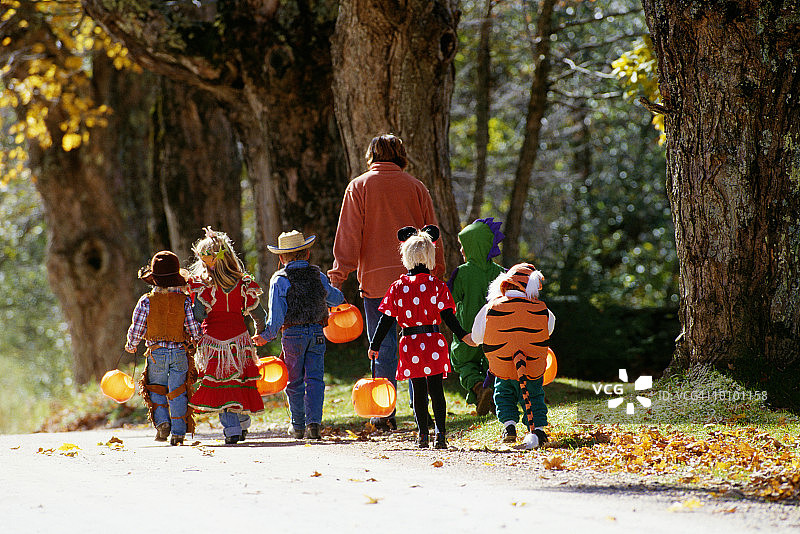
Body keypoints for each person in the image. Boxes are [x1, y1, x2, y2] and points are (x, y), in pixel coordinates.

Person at [328, 134, 445, 430]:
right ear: (401, 154)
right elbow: (433, 236)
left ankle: (384, 413)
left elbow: (349, 236)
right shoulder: (416, 187)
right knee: (418, 343)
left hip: (376, 283)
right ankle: (421, 413)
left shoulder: (359, 187)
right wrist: (437, 274)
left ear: (371, 155)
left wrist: (338, 277)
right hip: (417, 283)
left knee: (382, 347)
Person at [368, 226, 475, 449]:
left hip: (410, 344)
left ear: (406, 256)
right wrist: (464, 335)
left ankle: (423, 435)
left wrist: (374, 345)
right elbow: (448, 317)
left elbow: (385, 319)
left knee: (418, 391)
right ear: (430, 257)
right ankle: (441, 435)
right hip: (433, 341)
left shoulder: (397, 287)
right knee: (436, 390)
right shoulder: (437, 286)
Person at [252, 230, 345, 440]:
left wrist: (266, 336)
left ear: (281, 257)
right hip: (317, 333)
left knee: (294, 381)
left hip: (293, 334)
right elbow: (336, 299)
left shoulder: (280, 279)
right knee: (314, 379)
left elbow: (277, 316)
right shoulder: (317, 275)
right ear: (307, 254)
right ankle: (314, 424)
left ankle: (298, 425)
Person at [187, 227, 266, 444]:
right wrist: (261, 331)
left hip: (214, 343)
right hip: (240, 342)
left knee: (223, 384)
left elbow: (197, 314)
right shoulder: (244, 284)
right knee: (240, 382)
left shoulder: (206, 287)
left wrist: (192, 328)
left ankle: (232, 429)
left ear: (212, 260)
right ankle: (241, 425)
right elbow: (259, 313)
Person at [470, 263, 555, 449]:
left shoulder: (490, 307)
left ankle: (509, 427)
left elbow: (477, 336)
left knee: (503, 393)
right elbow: (549, 328)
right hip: (532, 366)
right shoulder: (542, 308)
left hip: (503, 366)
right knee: (534, 394)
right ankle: (538, 429)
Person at [125, 250, 202, 446]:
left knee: (156, 388)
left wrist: (132, 345)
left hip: (156, 353)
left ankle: (162, 423)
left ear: (154, 280)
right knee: (178, 391)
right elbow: (192, 327)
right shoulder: (184, 300)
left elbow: (137, 327)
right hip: (179, 352)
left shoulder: (146, 301)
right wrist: (198, 340)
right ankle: (178, 432)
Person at [447, 217, 505, 416]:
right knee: (495, 366)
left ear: (474, 246)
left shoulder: (461, 273)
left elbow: (447, 301)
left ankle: (479, 389)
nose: (462, 251)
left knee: (464, 364)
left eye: (464, 246)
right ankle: (495, 401)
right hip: (495, 334)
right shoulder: (502, 273)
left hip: (468, 334)